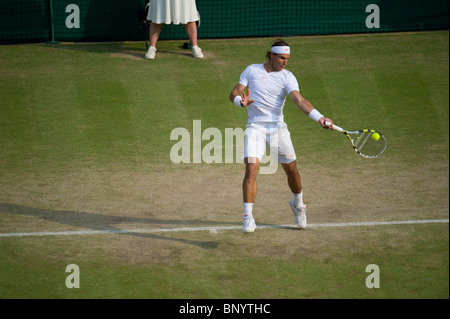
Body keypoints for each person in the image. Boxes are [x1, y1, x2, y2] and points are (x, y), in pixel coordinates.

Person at [229, 40, 333, 233]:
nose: (285, 62)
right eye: (282, 58)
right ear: (271, 56)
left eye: (287, 59)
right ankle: (248, 216)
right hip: (255, 127)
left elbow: (299, 100)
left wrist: (319, 117)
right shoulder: (251, 70)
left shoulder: (287, 77)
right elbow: (234, 93)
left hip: (278, 128)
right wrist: (240, 102)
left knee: (291, 169)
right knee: (251, 168)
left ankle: (298, 205)